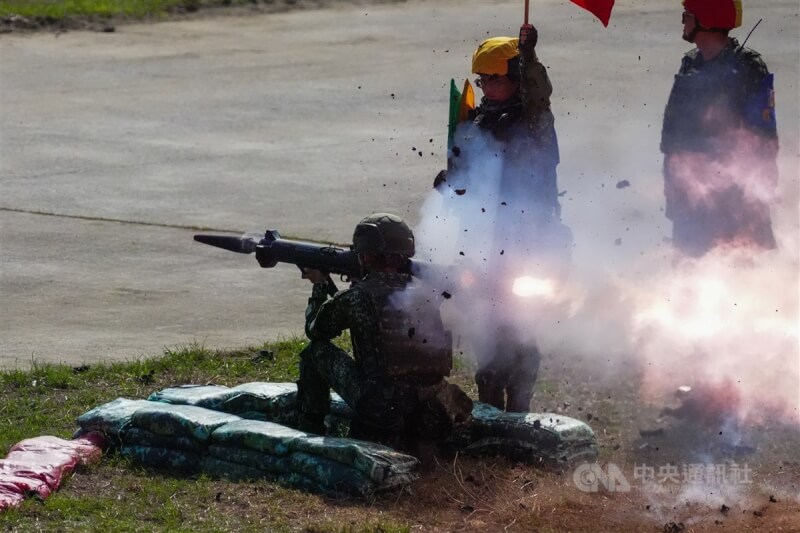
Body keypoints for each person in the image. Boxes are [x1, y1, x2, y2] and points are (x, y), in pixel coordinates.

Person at [433, 24, 570, 413]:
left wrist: (528, 58)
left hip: (527, 241)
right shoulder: (476, 122)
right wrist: (450, 182)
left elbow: (538, 92)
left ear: (515, 80)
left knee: (521, 327)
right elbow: (467, 178)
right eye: (483, 79)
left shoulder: (533, 119)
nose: (488, 85)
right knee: (488, 329)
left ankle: (520, 405)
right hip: (483, 244)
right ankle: (490, 404)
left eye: (497, 78)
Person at [296, 213, 473, 456]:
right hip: (432, 408)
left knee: (315, 352)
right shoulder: (428, 292)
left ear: (366, 255)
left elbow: (316, 331)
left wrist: (319, 283)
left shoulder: (358, 297)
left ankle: (309, 433)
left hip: (383, 410)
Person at [661, 0, 779, 257]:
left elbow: (764, 136)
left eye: (687, 15)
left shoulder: (747, 67)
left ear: (707, 20)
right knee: (688, 269)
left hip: (733, 194)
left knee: (741, 268)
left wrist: (753, 192)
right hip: (689, 192)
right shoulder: (690, 63)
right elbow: (674, 135)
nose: (683, 21)